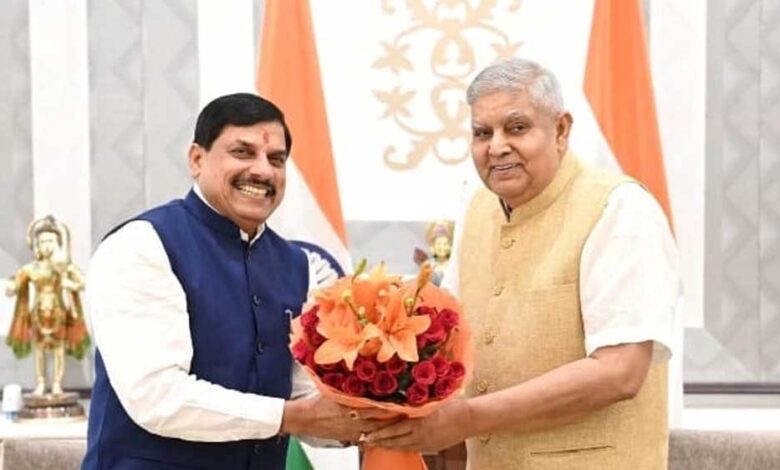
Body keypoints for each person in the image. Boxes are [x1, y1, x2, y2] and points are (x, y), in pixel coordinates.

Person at [366, 58, 681, 470]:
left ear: (561, 130)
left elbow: (620, 372)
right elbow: (449, 342)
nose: (496, 147)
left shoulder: (619, 208)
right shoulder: (478, 210)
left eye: (516, 128)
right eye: (482, 133)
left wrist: (468, 418)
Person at [82, 93, 386, 470]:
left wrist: (372, 416)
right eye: (242, 152)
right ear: (197, 159)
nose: (263, 171)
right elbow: (158, 397)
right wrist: (290, 417)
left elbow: (302, 395)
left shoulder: (297, 265)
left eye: (276, 159)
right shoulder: (143, 245)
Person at [5, 215, 90, 396]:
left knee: (59, 349)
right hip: (38, 313)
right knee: (39, 350)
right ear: (36, 245)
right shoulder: (31, 268)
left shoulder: (63, 268)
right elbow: (16, 282)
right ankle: (41, 382)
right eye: (43, 241)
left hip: (58, 312)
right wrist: (12, 288)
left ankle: (57, 382)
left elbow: (83, 282)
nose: (46, 245)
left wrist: (70, 284)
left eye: (50, 241)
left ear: (58, 243)